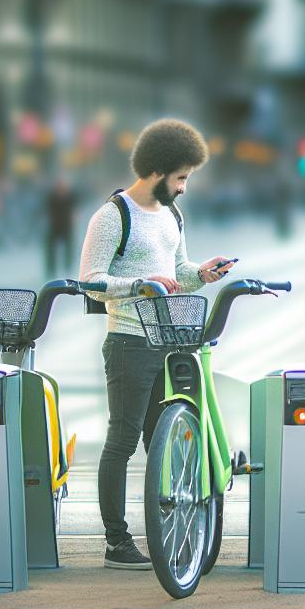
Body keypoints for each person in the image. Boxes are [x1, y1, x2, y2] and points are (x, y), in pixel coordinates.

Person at [80, 119, 236, 570]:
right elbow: (90, 283)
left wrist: (202, 274)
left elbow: (178, 271)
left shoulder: (171, 215)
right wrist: (140, 285)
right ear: (158, 170)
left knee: (160, 442)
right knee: (123, 441)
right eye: (182, 177)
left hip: (168, 341)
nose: (185, 187)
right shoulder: (113, 216)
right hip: (129, 341)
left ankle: (167, 531)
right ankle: (116, 542)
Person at [44, 177, 76, 278]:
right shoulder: (51, 197)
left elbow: (74, 211)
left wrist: (73, 218)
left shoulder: (70, 197)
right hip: (55, 225)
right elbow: (47, 211)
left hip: (66, 225)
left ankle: (68, 266)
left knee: (69, 247)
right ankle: (51, 270)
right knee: (50, 248)